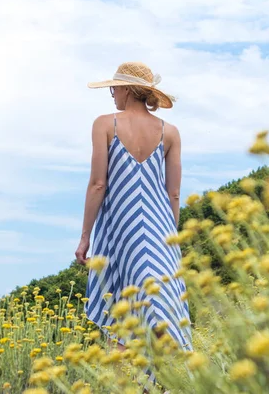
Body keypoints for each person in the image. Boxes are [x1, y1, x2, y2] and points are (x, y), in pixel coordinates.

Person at [74, 61, 193, 388]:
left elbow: (98, 184)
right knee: (161, 316)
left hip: (121, 233)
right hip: (161, 233)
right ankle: (166, 385)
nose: (112, 93)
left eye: (114, 87)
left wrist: (85, 237)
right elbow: (174, 193)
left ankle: (126, 387)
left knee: (123, 318)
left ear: (126, 89)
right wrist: (172, 242)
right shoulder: (170, 132)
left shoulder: (105, 125)